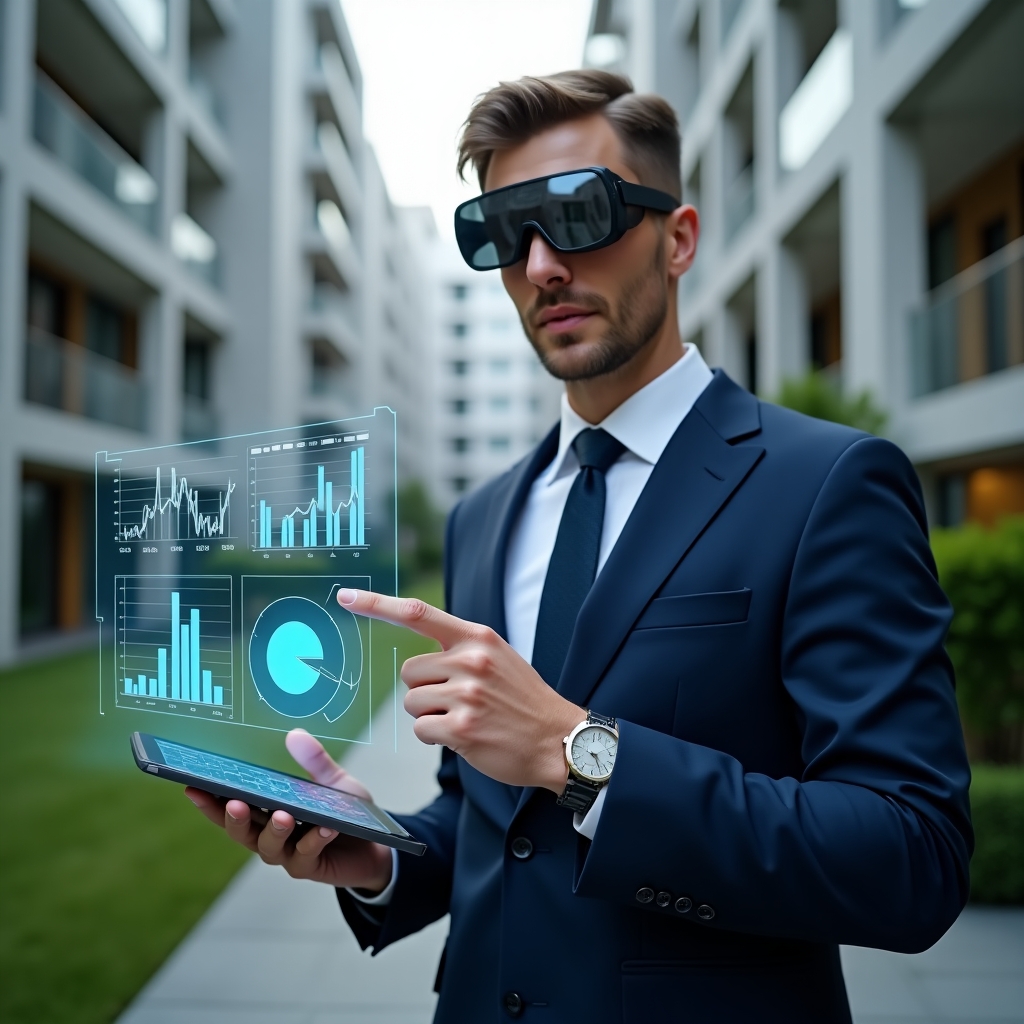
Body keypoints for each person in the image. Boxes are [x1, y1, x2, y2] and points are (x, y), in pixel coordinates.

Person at [187, 70, 972, 1023]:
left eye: (579, 214)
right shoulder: (486, 517)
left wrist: (580, 751)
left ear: (677, 238)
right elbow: (495, 818)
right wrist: (384, 855)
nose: (541, 265)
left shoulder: (827, 484)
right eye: (499, 234)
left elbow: (911, 856)